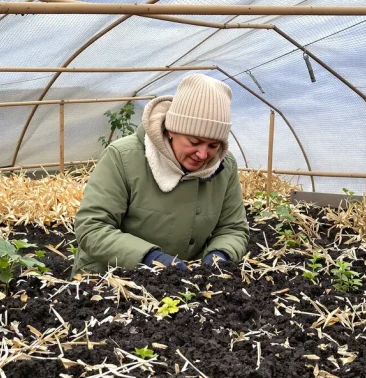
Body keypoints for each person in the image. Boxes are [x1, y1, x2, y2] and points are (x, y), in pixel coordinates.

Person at [71, 73, 249, 277]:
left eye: (213, 145)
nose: (203, 154)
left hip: (185, 284)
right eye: (194, 142)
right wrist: (148, 258)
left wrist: (219, 255)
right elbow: (92, 226)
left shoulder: (224, 166)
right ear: (172, 130)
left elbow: (233, 228)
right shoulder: (123, 157)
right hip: (113, 279)